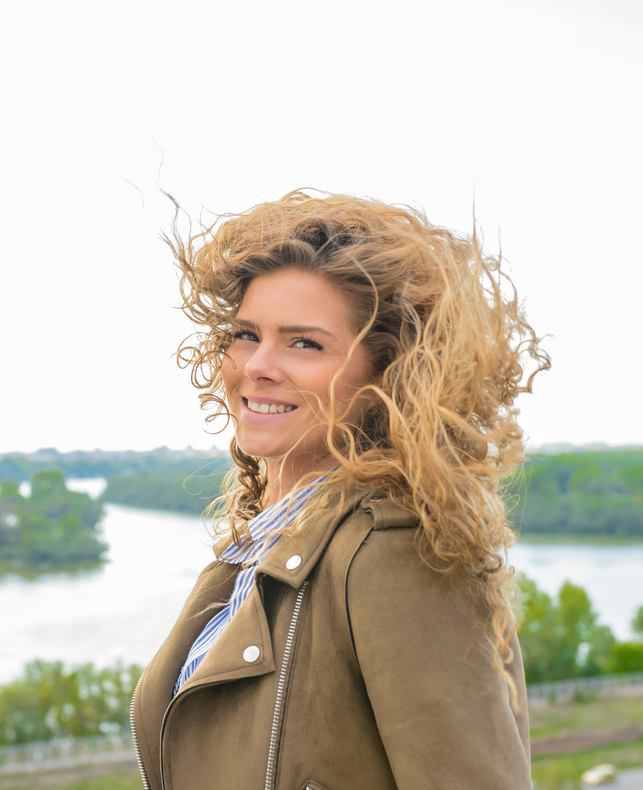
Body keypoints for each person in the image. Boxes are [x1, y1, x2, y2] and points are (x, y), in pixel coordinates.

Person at [131, 190, 549, 789]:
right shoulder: (262, 546)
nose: (258, 365)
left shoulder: (394, 552)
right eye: (247, 333)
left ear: (389, 374)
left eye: (304, 343)